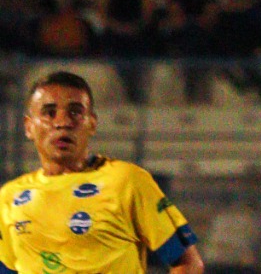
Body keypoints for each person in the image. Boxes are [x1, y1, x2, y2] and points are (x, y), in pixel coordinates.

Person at [0, 71, 203, 274]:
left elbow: (189, 263)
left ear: (92, 123)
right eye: (49, 113)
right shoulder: (9, 197)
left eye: (75, 112)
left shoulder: (127, 181)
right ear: (29, 127)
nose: (62, 122)